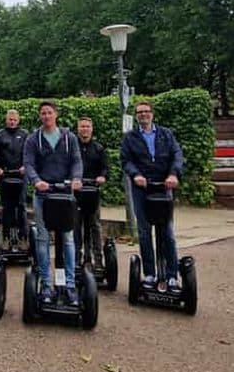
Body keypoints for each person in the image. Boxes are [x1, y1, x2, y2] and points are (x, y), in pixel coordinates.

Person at [23, 101, 83, 306]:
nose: (46, 116)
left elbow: (76, 161)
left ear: (56, 115)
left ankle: (70, 285)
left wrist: (76, 178)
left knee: (67, 239)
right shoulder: (33, 139)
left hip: (65, 195)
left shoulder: (69, 138)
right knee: (42, 239)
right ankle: (47, 285)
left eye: (49, 112)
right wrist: (36, 181)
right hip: (43, 195)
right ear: (40, 116)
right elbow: (28, 163)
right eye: (43, 113)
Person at [120, 101, 184, 289]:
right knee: (145, 232)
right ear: (136, 116)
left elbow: (177, 155)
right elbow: (126, 160)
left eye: (146, 112)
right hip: (142, 188)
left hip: (164, 186)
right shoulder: (130, 138)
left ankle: (172, 275)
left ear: (152, 114)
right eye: (140, 112)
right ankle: (149, 274)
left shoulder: (166, 134)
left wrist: (173, 174)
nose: (143, 115)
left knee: (168, 233)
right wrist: (136, 175)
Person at [74, 116, 109, 269]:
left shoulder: (99, 148)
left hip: (93, 191)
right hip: (76, 192)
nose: (84, 129)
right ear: (78, 129)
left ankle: (98, 260)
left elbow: (105, 168)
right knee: (76, 225)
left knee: (94, 225)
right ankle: (76, 259)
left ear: (92, 129)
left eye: (87, 127)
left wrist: (102, 176)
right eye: (82, 127)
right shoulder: (72, 147)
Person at [0, 109, 29, 239]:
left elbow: (28, 153)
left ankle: (23, 236)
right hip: (5, 174)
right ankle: (6, 236)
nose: (12, 122)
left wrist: (25, 166)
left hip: (21, 174)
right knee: (7, 206)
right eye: (10, 119)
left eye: (15, 120)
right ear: (6, 119)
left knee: (21, 204)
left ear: (18, 120)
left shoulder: (24, 134)